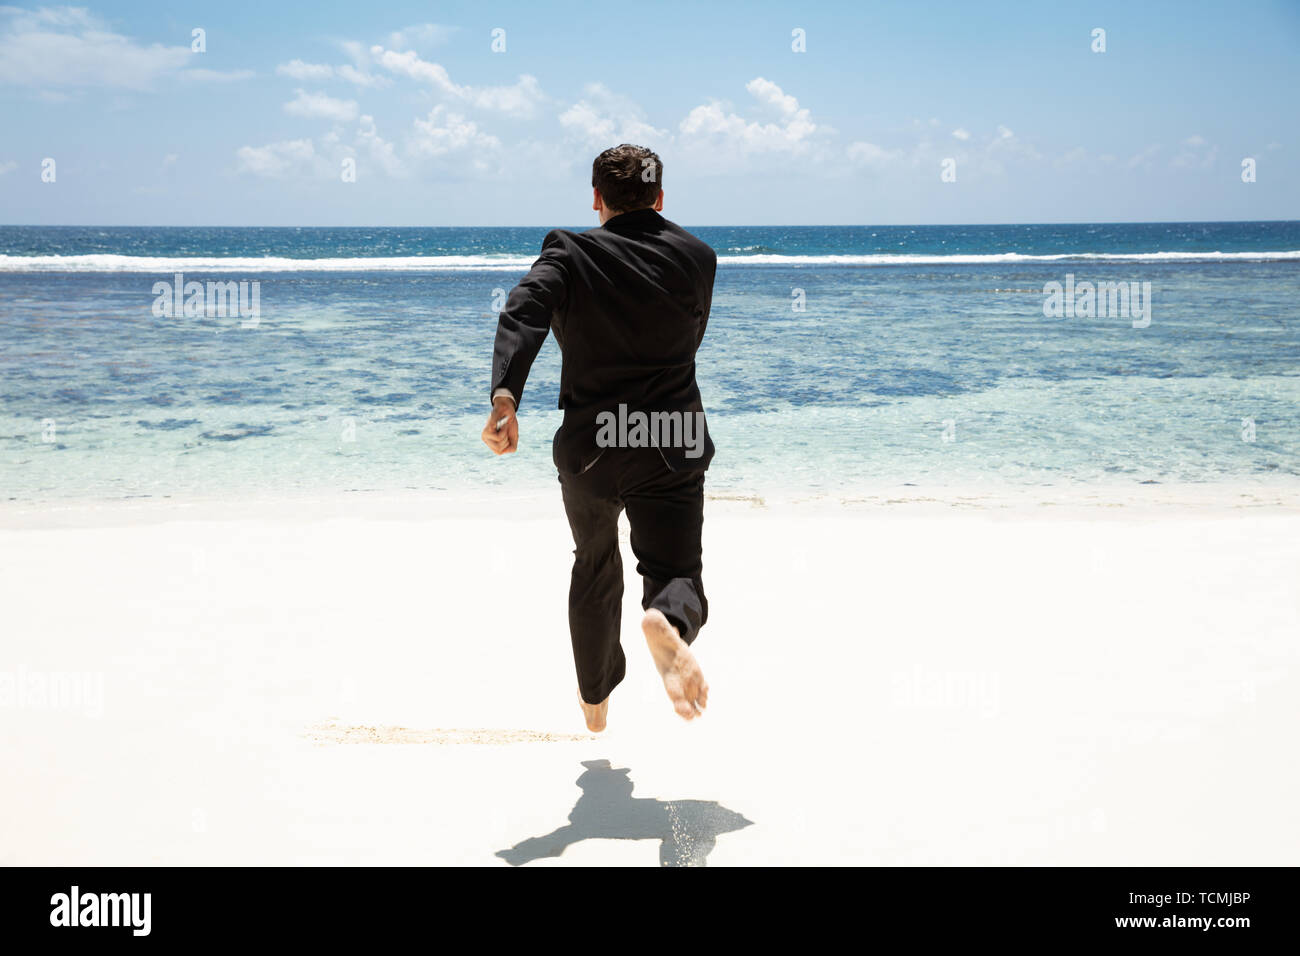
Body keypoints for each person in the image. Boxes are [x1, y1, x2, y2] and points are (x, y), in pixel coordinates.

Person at [481, 144, 717, 732]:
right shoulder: (698, 257)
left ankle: (595, 697)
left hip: (593, 447)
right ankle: (666, 620)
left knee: (594, 563)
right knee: (675, 570)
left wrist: (506, 396)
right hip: (673, 437)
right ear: (660, 197)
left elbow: (525, 308)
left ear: (596, 198)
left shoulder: (569, 249)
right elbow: (694, 336)